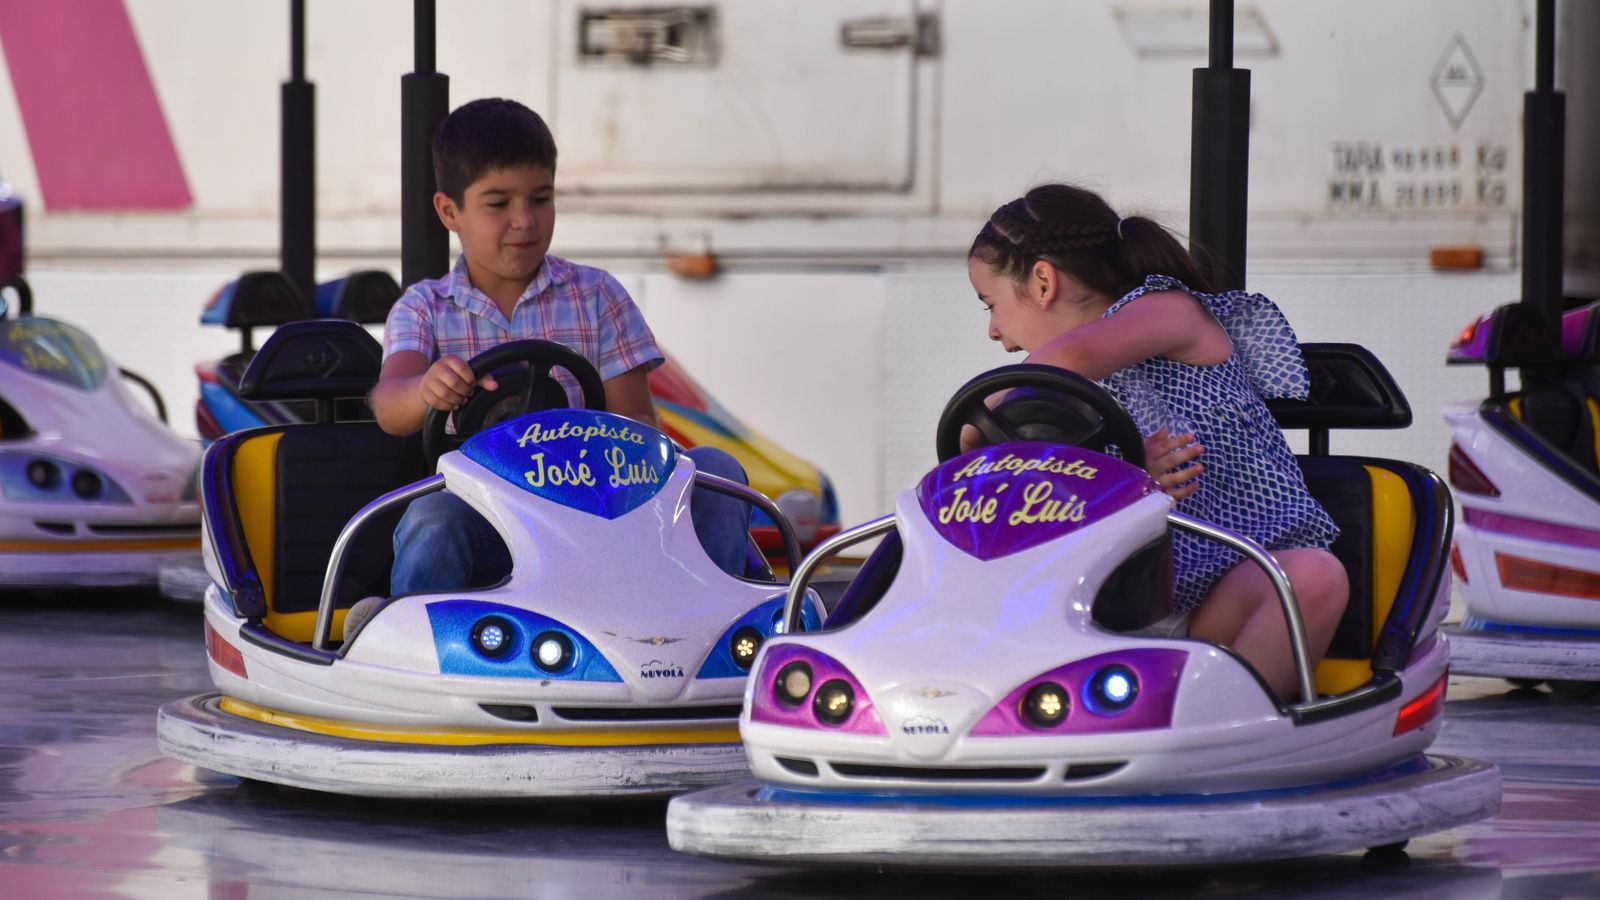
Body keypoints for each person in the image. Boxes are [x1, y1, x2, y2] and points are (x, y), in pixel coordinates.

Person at [351, 98, 750, 633]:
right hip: (485, 520)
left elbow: (637, 427)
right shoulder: (425, 308)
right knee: (431, 516)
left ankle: (713, 630)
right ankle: (414, 641)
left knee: (719, 472)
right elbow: (388, 405)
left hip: (601, 521)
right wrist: (426, 388)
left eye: (541, 199)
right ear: (450, 213)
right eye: (498, 203)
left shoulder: (597, 296)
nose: (524, 221)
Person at [964, 183, 1348, 700]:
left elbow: (1070, 361)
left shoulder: (1168, 310)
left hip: (1225, 592)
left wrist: (977, 423)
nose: (993, 330)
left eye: (990, 304)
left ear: (1041, 281)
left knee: (1313, 575)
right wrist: (1124, 473)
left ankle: (1226, 723)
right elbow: (992, 460)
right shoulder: (1064, 394)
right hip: (1117, 603)